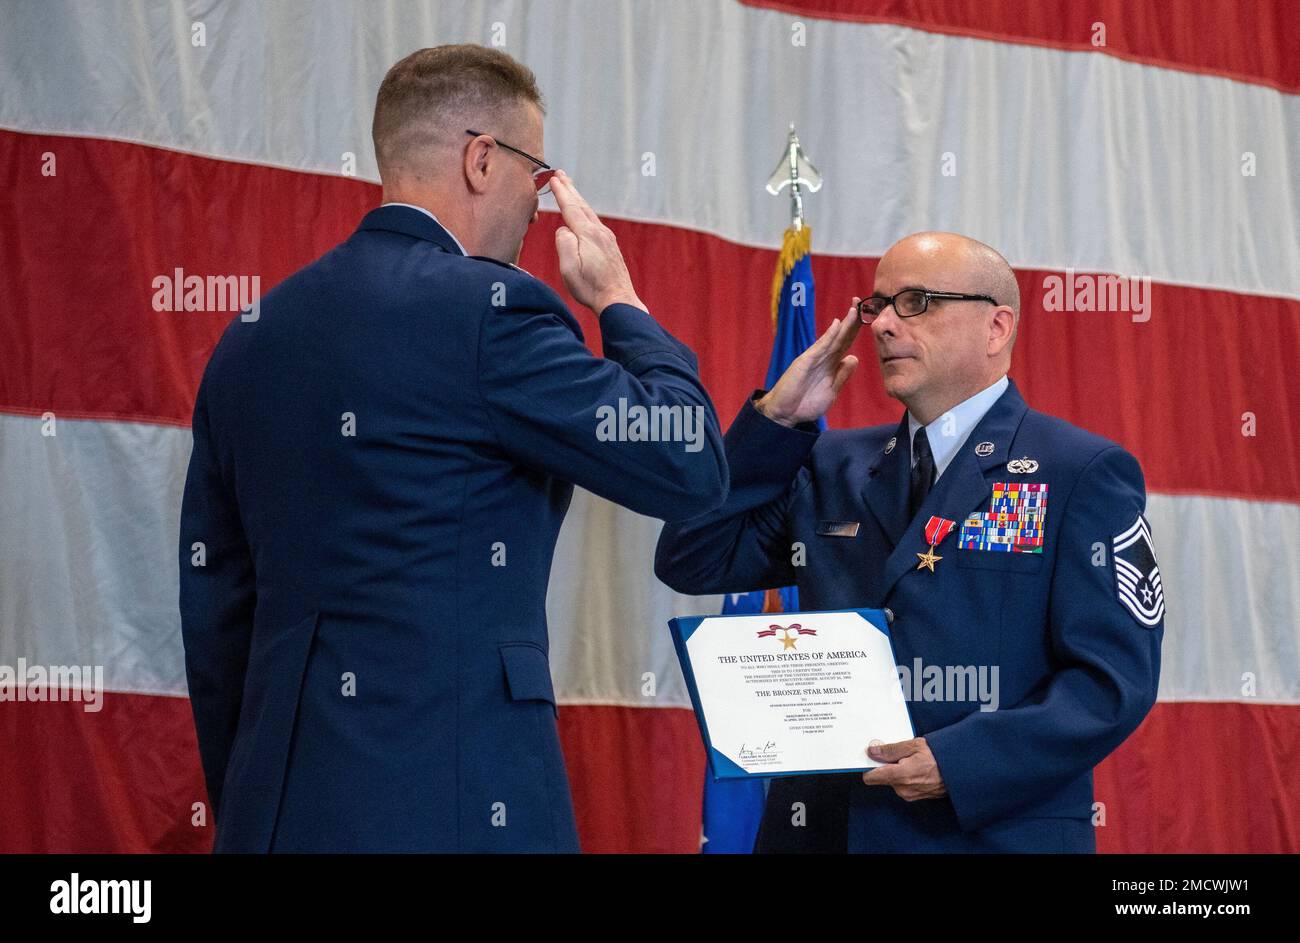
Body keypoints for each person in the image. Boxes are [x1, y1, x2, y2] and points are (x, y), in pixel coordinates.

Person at [179, 45, 727, 852]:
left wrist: (252, 801)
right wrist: (621, 301)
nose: (541, 208)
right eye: (537, 177)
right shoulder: (490, 312)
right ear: (481, 159)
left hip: (277, 806)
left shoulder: (251, 336)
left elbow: (217, 611)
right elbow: (690, 462)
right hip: (462, 803)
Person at [656, 231, 1163, 852]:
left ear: (996, 327)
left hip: (983, 833)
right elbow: (692, 557)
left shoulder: (1079, 471)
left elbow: (1112, 683)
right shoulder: (831, 462)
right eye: (878, 305)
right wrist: (777, 422)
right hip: (824, 831)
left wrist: (960, 762)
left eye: (917, 302)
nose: (883, 324)